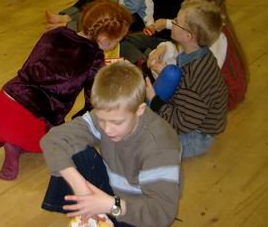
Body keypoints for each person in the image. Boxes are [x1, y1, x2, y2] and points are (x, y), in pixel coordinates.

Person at [0, 0, 132, 181]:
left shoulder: (57, 32)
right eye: (118, 40)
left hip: (1, 106)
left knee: (14, 129)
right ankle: (15, 147)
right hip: (31, 119)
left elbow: (30, 64)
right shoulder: (94, 57)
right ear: (104, 40)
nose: (117, 43)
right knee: (53, 141)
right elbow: (93, 99)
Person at [40, 62, 181, 227]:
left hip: (137, 211)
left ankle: (98, 212)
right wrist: (79, 185)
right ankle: (93, 214)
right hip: (112, 193)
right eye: (101, 120)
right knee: (74, 151)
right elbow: (52, 139)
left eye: (117, 123)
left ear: (140, 110)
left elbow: (161, 213)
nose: (107, 129)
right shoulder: (110, 113)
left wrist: (110, 205)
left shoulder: (160, 145)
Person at [146, 0, 228, 158]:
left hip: (196, 136)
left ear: (188, 36)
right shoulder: (197, 55)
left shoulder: (197, 76)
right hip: (189, 116)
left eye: (176, 21)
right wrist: (164, 71)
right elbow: (185, 88)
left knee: (145, 142)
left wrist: (155, 101)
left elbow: (182, 122)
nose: (172, 23)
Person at [185, 0, 248, 110]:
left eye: (194, 1)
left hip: (223, 95)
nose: (188, 4)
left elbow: (208, 73)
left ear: (211, 4)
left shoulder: (217, 36)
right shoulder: (208, 22)